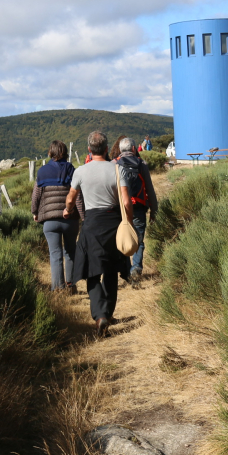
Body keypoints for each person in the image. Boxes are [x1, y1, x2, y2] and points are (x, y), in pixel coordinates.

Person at [65, 131, 133, 337]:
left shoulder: (80, 171)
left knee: (92, 272)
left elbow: (70, 198)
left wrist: (68, 210)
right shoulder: (117, 169)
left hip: (91, 223)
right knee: (111, 270)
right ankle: (108, 314)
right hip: (113, 222)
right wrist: (128, 222)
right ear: (105, 149)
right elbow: (127, 201)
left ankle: (100, 315)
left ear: (89, 150)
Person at [32, 140, 83, 292]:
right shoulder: (71, 170)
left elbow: (36, 196)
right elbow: (77, 196)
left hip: (50, 221)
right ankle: (71, 285)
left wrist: (35, 212)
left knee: (55, 254)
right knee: (70, 251)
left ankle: (58, 288)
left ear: (50, 152)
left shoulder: (42, 171)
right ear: (65, 153)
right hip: (70, 219)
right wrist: (83, 216)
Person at [114, 137, 158, 282]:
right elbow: (150, 190)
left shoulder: (115, 164)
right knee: (138, 240)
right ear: (134, 149)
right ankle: (136, 269)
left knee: (122, 238)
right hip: (138, 207)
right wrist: (154, 210)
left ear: (120, 150)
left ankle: (125, 269)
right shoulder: (142, 164)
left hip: (120, 209)